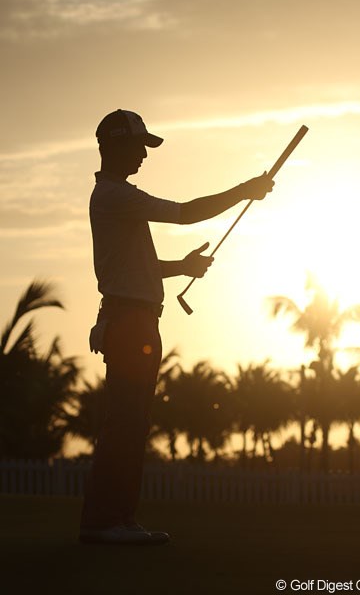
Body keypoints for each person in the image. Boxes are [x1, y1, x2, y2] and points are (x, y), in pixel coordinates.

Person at [79, 109, 274, 545]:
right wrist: (244, 190)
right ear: (115, 146)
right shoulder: (115, 196)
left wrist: (182, 266)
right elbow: (184, 213)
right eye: (138, 146)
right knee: (125, 423)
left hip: (137, 317)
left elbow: (136, 267)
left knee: (133, 422)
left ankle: (119, 518)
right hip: (130, 321)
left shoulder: (117, 198)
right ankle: (101, 522)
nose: (144, 157)